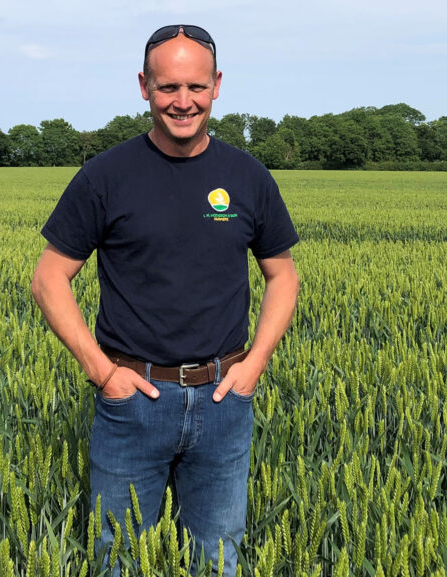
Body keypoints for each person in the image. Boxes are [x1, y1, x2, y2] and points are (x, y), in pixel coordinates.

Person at [30, 24, 300, 575]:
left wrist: (256, 364)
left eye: (196, 87)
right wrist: (103, 373)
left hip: (224, 402)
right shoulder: (105, 176)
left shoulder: (247, 177)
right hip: (133, 404)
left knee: (218, 560)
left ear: (217, 85)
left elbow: (283, 275)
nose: (183, 102)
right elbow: (49, 279)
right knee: (118, 561)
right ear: (144, 86)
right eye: (168, 87)